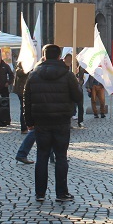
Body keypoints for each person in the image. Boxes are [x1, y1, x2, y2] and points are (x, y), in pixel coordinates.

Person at [24, 44, 81, 202]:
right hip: (62, 121)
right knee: (61, 157)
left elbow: (26, 100)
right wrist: (77, 84)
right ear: (58, 57)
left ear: (44, 56)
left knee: (41, 156)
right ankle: (61, 193)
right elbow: (78, 98)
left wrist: (29, 121)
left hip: (41, 121)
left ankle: (40, 193)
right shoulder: (67, 75)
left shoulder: (33, 75)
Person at [13, 62, 29, 133]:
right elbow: (19, 72)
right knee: (23, 108)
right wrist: (28, 69)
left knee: (26, 108)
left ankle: (27, 126)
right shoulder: (22, 63)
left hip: (27, 89)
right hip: (22, 90)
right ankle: (24, 127)